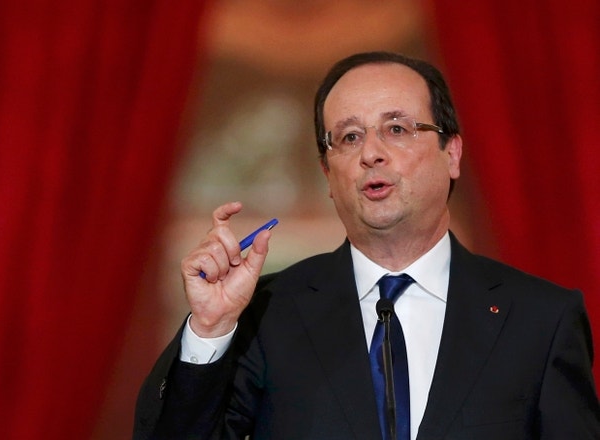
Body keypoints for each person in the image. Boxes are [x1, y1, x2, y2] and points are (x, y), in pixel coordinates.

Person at [133, 52, 600, 440]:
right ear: (327, 174)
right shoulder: (266, 314)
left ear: (452, 153)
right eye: (350, 137)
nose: (371, 153)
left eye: (396, 129)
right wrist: (210, 329)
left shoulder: (541, 319)